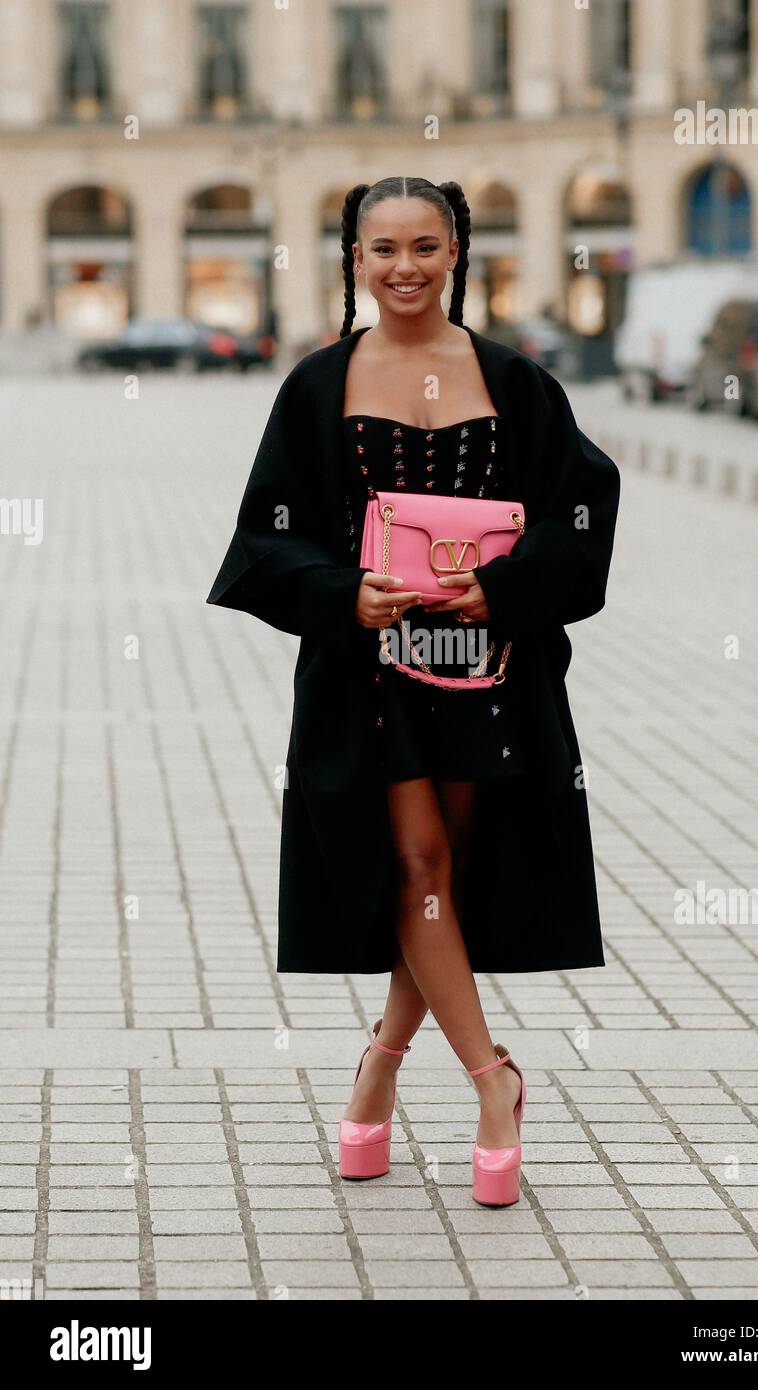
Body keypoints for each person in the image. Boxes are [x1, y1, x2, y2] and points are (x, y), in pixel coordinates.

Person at [206, 176, 620, 1206]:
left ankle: (380, 1063)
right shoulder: (316, 385)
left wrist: (504, 590)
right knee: (413, 858)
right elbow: (267, 535)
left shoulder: (513, 380)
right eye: (382, 247)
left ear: (456, 253)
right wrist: (346, 593)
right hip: (366, 675)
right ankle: (495, 1083)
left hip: (489, 672)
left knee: (449, 878)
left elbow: (581, 504)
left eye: (425, 247)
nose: (404, 266)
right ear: (353, 257)